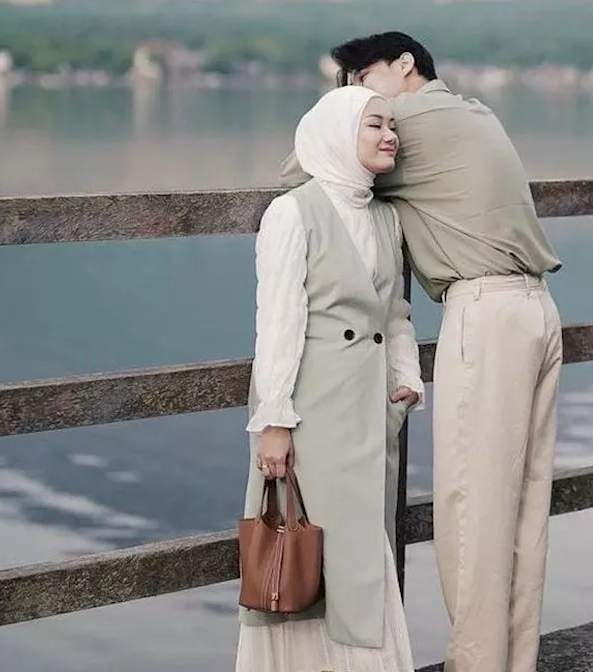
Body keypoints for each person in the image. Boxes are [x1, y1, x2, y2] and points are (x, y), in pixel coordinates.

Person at [281, 31, 564, 672]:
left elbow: (310, 163)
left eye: (361, 75)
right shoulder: (475, 112)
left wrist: (354, 126)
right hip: (539, 310)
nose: (352, 92)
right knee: (524, 511)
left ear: (405, 65)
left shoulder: (403, 121)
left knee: (470, 508)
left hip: (485, 313)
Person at [237, 85, 424, 672]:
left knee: (362, 555)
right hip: (310, 412)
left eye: (391, 124)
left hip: (369, 410)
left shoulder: (386, 217)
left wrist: (407, 379)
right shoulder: (292, 211)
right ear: (339, 134)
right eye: (374, 125)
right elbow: (279, 323)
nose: (389, 135)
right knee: (306, 548)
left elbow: (394, 313)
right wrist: (273, 422)